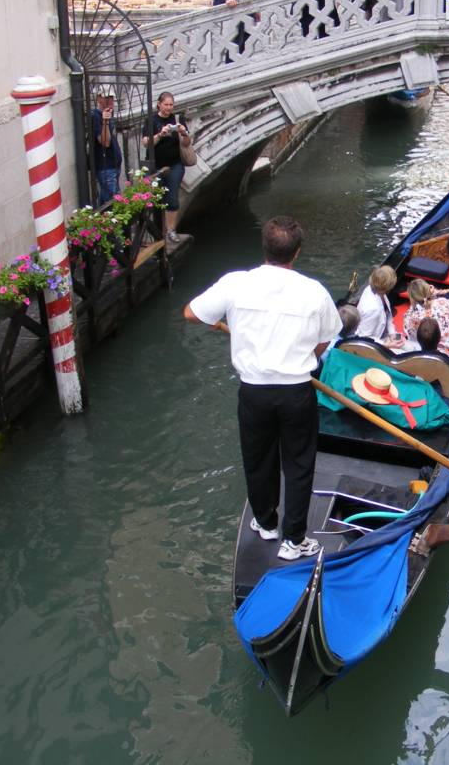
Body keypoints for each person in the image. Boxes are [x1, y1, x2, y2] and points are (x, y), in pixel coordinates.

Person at [183, 216, 341, 561]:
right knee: (298, 464)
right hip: (297, 391)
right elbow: (326, 338)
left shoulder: (236, 283)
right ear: (296, 253)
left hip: (254, 392)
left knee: (258, 459)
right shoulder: (314, 291)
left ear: (264, 248)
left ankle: (267, 523)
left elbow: (191, 314)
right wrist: (305, 356)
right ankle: (294, 540)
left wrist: (220, 321)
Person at [143, 92, 191, 244]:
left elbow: (187, 143)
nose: (169, 108)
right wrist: (159, 135)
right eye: (166, 105)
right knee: (156, 199)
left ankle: (171, 230)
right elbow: (146, 143)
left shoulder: (178, 119)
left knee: (172, 198)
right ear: (159, 104)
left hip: (175, 164)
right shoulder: (151, 120)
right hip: (155, 165)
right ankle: (159, 233)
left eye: (171, 105)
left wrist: (183, 132)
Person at [403, 278, 449, 364]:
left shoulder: (414, 317)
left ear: (413, 299)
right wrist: (433, 294)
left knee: (413, 342)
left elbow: (409, 331)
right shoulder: (442, 301)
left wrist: (413, 306)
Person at [91, 87, 122, 206]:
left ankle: (101, 223)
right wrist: (105, 121)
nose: (110, 101)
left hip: (113, 165)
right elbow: (105, 142)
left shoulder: (108, 115)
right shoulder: (96, 116)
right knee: (113, 204)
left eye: (111, 98)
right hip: (106, 166)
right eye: (106, 98)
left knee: (106, 202)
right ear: (99, 98)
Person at [355, 265, 397, 340]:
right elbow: (364, 338)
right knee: (410, 349)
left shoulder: (373, 289)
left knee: (407, 345)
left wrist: (392, 333)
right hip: (376, 342)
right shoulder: (373, 310)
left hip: (385, 334)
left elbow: (388, 317)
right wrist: (386, 345)